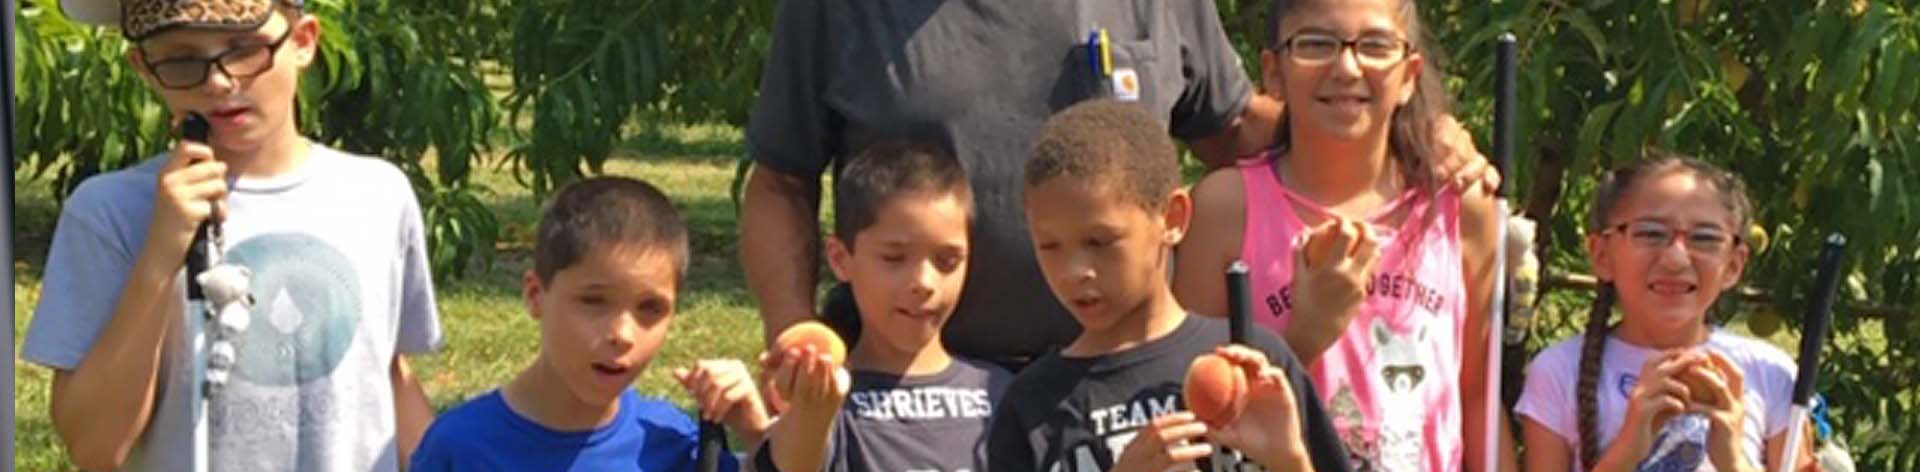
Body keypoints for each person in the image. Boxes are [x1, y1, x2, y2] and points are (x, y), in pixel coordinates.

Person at [738, 0, 1499, 371]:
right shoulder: (838, 7)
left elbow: (1234, 126)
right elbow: (780, 179)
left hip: (1124, 387)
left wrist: (1405, 131)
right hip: (916, 393)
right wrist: (791, 330)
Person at [23, 0, 440, 469]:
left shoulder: (378, 195)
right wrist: (161, 254)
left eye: (245, 49)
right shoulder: (110, 213)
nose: (219, 81)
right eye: (182, 60)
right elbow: (96, 447)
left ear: (303, 42)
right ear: (144, 67)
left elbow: (384, 373)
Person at [1172, 0, 1515, 469]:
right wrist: (1305, 335)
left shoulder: (1461, 209)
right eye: (1316, 44)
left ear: (1409, 74)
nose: (1347, 66)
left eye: (1376, 46)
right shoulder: (1224, 211)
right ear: (1273, 72)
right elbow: (1196, 407)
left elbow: (1477, 396)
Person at [986, 99, 1351, 471]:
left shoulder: (1257, 364)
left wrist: (1289, 461)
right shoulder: (1031, 405)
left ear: (1173, 218)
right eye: (1049, 247)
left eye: (1100, 241)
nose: (1074, 271)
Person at [411, 177, 765, 471]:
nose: (622, 335)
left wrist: (755, 432)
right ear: (536, 294)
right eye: (593, 302)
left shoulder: (675, 444)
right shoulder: (459, 449)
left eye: (650, 308)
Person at [1515, 152, 1818, 472]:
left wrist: (1731, 458)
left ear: (1733, 264)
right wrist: (1628, 447)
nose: (1675, 258)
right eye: (1650, 233)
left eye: (1705, 238)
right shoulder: (1558, 371)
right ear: (1602, 254)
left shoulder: (1771, 373)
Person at [753, 140, 1013, 471]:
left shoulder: (1002, 394)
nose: (924, 282)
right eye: (894, 258)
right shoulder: (827, 397)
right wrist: (813, 410)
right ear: (841, 259)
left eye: (947, 261)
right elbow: (795, 464)